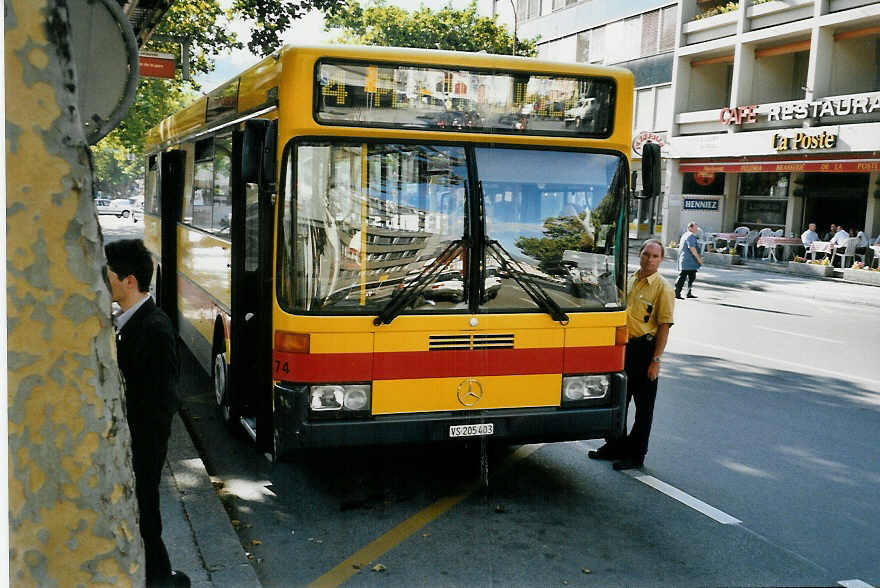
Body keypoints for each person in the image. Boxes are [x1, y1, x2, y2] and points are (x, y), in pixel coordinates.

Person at [105, 239, 190, 588]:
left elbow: (159, 401)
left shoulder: (154, 329)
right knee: (143, 513)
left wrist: (134, 446)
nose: (101, 281)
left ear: (129, 281)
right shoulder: (128, 320)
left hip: (143, 442)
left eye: (107, 275)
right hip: (134, 440)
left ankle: (161, 579)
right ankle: (159, 577)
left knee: (145, 513)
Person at [588, 239, 675, 470]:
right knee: (619, 400)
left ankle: (636, 455)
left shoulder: (663, 288)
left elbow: (664, 327)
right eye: (646, 254)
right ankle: (615, 446)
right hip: (622, 347)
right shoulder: (630, 280)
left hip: (645, 350)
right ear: (640, 254)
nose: (649, 260)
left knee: (643, 407)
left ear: (661, 260)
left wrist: (656, 361)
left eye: (655, 256)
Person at [674, 221, 703, 299]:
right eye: (695, 227)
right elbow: (692, 249)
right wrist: (699, 259)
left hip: (690, 261)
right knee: (682, 277)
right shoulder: (690, 236)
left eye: (697, 227)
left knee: (691, 277)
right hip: (688, 260)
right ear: (690, 228)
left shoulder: (686, 235)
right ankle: (677, 293)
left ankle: (688, 292)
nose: (697, 229)